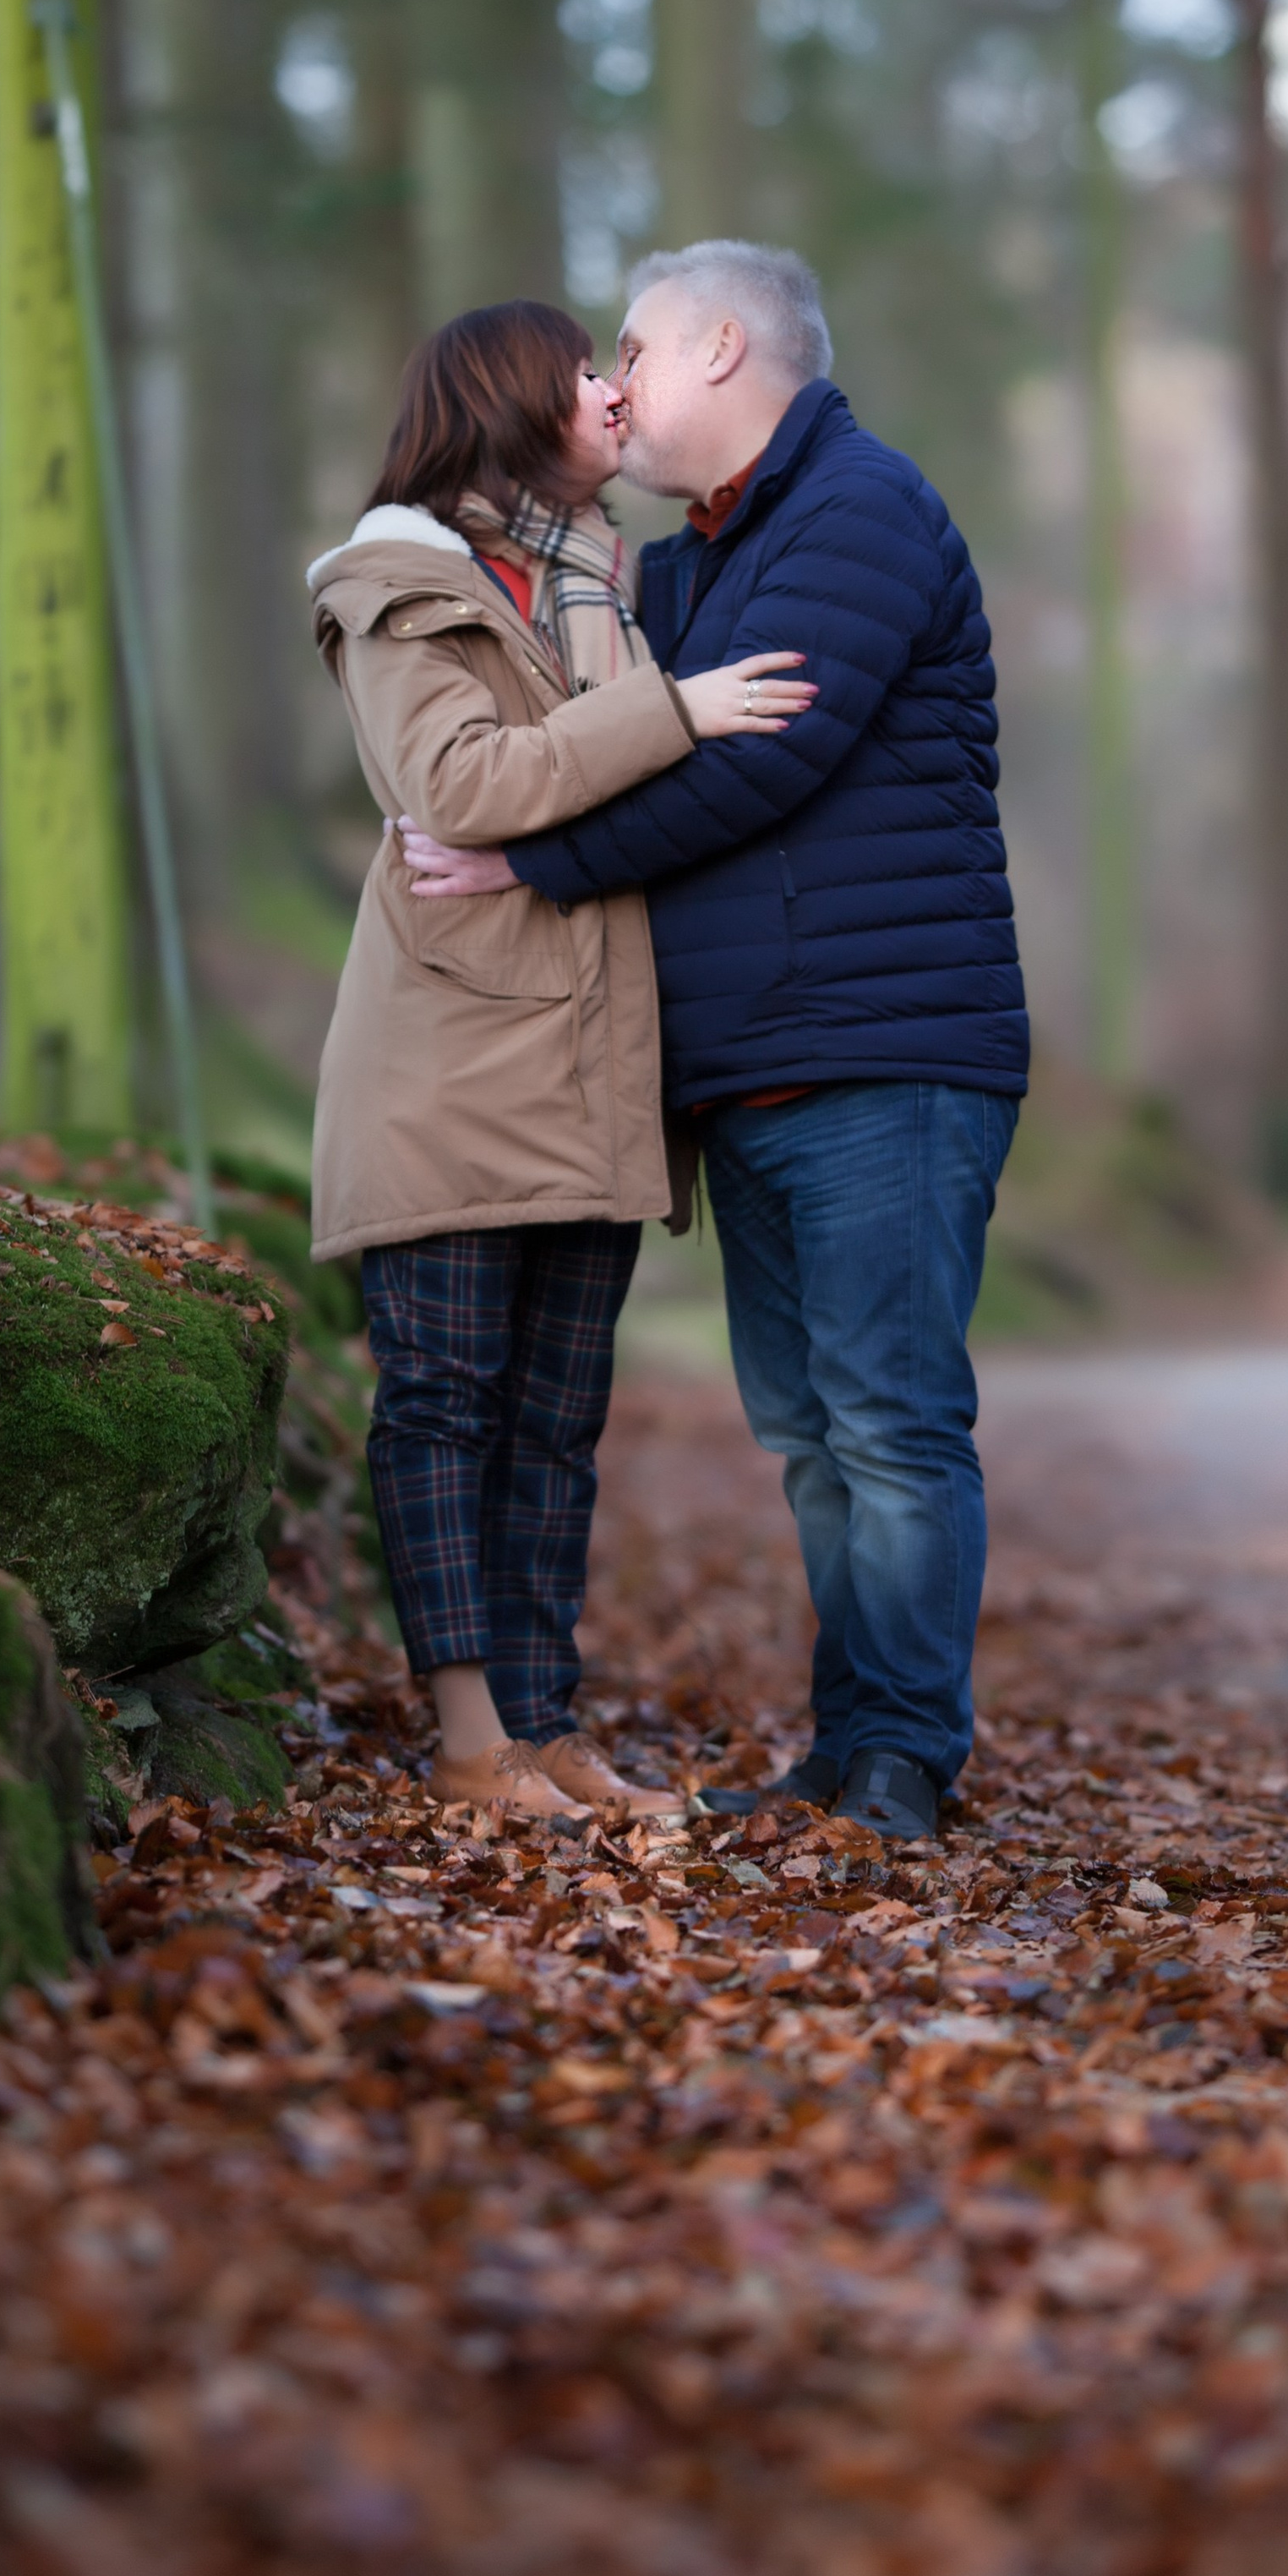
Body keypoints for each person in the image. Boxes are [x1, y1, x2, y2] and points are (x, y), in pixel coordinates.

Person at [398, 243, 1028, 1842]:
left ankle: (901, 1758)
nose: (617, 379)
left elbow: (755, 768)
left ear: (725, 349)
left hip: (888, 1052)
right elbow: (577, 686)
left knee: (889, 1420)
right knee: (814, 1429)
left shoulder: (860, 512)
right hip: (752, 1067)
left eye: (635, 349)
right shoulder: (690, 558)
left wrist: (526, 861)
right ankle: (848, 1749)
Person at [308, 297, 816, 1828]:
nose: (612, 390)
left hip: (593, 1061)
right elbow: (460, 783)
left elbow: (570, 800)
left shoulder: (603, 577)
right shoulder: (395, 582)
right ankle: (469, 1743)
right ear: (509, 403)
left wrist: (641, 719)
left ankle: (544, 1728)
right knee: (446, 1401)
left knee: (555, 1420)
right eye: (582, 370)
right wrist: (676, 715)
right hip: (455, 1060)